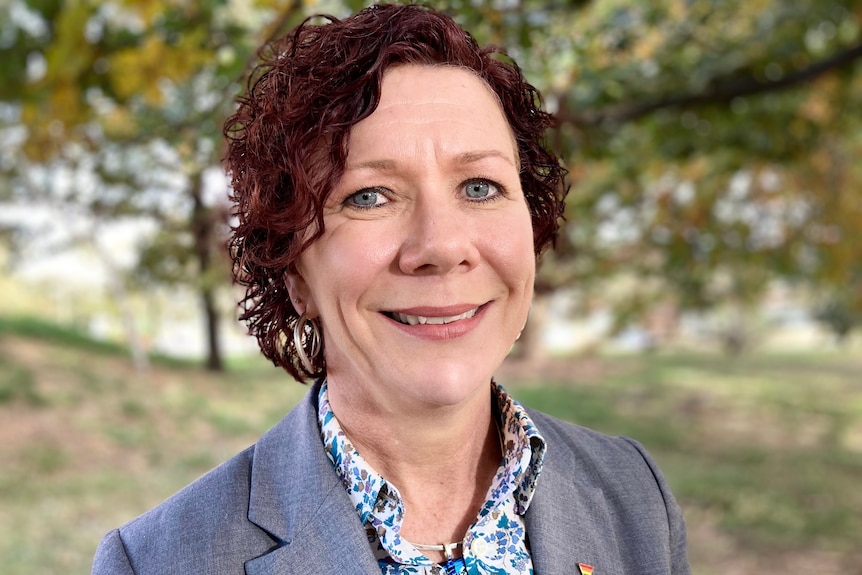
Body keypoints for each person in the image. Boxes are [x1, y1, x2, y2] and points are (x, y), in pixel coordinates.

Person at [92, 4, 689, 574]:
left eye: (480, 187)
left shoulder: (635, 494)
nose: (440, 246)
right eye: (369, 197)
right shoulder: (156, 561)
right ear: (293, 270)